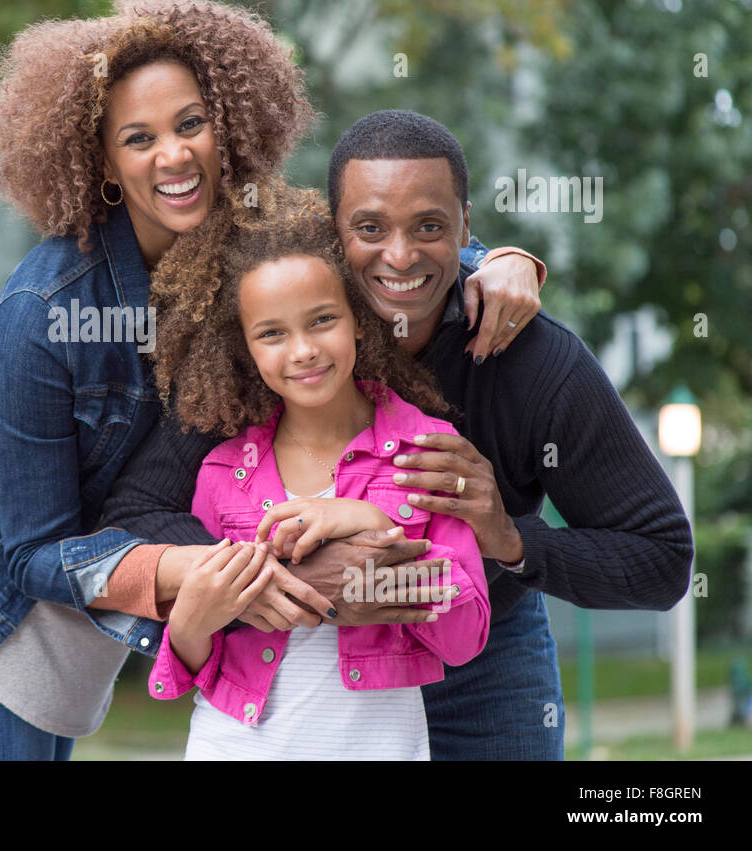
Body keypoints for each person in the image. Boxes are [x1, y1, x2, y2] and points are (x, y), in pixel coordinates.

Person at [0, 0, 544, 760]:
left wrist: (493, 261)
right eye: (139, 138)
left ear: (225, 125)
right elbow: (34, 550)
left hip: (113, 587)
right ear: (102, 160)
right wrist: (220, 570)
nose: (174, 155)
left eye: (191, 124)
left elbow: (356, 251)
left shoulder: (247, 236)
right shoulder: (42, 309)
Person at [93, 109, 693, 760]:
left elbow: (661, 560)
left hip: (481, 656)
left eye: (430, 227)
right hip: (308, 677)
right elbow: (136, 515)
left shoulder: (533, 360)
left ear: (466, 229)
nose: (400, 256)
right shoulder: (264, 360)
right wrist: (287, 571)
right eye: (370, 227)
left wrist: (512, 538)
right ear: (333, 229)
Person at [145, 185, 490, 760]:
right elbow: (192, 661)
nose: (302, 350)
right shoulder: (221, 473)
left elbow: (465, 636)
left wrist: (371, 520)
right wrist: (189, 624)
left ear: (358, 318)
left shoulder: (427, 451)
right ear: (246, 348)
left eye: (322, 319)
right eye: (273, 333)